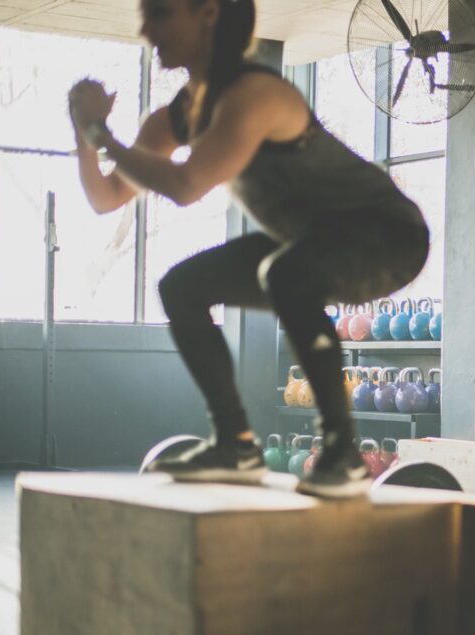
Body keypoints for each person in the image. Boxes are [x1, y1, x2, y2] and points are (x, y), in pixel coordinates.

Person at [67, 0, 429, 498]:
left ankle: (343, 454)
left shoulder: (256, 94)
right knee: (182, 286)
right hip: (309, 241)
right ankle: (235, 444)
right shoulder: (175, 118)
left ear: (208, 13)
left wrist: (101, 133)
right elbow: (107, 198)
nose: (147, 29)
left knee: (285, 275)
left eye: (162, 13)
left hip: (387, 234)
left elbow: (186, 184)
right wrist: (86, 137)